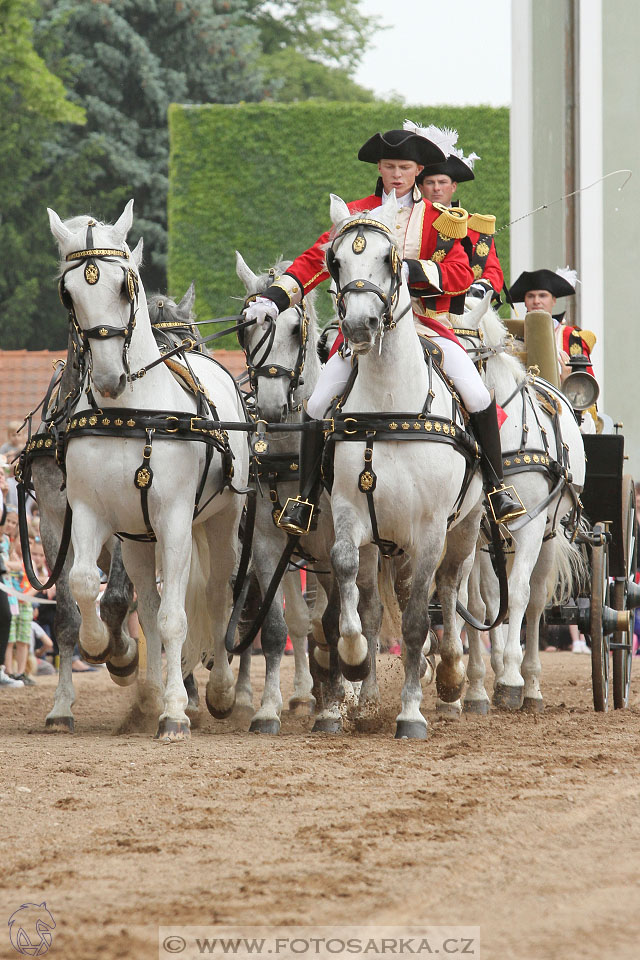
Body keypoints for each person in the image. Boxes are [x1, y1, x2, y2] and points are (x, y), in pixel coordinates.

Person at [243, 126, 526, 533]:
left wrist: (412, 269)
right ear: (379, 166)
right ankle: (305, 499)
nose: (396, 174)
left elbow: (462, 272)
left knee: (478, 393)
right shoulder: (354, 214)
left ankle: (497, 488)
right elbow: (312, 262)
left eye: (405, 167)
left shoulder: (441, 220)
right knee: (316, 403)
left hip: (426, 326)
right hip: (360, 335)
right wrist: (272, 297)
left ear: (418, 170)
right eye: (390, 166)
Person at [407, 120, 505, 304]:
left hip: (467, 306)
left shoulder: (475, 226)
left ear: (453, 186)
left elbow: (493, 270)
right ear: (420, 186)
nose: (436, 188)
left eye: (442, 182)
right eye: (430, 183)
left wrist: (481, 287)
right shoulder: (410, 221)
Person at [508, 267, 598, 431]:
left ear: (554, 300)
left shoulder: (573, 338)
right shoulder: (511, 339)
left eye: (542, 295)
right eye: (531, 296)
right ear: (525, 301)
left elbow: (587, 390)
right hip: (522, 411)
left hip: (567, 411)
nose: (536, 301)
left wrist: (568, 381)